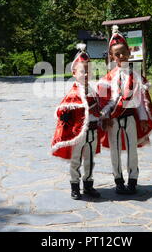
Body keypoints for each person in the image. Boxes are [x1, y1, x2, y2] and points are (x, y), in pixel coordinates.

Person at [97, 25, 152, 194]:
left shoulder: (136, 76)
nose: (121, 56)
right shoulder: (106, 78)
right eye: (117, 54)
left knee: (132, 150)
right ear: (112, 56)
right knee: (115, 151)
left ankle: (132, 180)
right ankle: (118, 180)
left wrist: (144, 119)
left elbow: (141, 100)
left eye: (124, 52)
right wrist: (105, 115)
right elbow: (103, 102)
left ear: (129, 52)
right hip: (113, 120)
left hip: (130, 118)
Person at [51, 44, 102, 200]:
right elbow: (62, 109)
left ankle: (88, 184)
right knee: (75, 160)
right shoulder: (73, 92)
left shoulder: (94, 90)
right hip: (78, 133)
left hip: (92, 131)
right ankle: (75, 186)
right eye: (82, 71)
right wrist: (64, 116)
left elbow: (98, 108)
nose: (86, 74)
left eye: (89, 71)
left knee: (90, 160)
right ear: (74, 73)